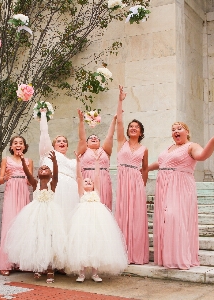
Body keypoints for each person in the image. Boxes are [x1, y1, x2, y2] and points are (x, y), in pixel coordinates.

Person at [148, 122, 214, 269]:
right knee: (165, 219)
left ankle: (180, 257)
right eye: (173, 130)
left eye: (179, 129)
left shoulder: (192, 146)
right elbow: (161, 163)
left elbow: (203, 155)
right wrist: (145, 169)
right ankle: (168, 257)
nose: (176, 131)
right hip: (164, 187)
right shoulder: (169, 148)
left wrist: (213, 140)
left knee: (175, 217)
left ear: (187, 131)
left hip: (180, 186)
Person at [5, 151, 67, 283]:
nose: (43, 169)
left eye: (46, 168)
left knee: (50, 240)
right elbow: (27, 173)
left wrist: (55, 162)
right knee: (37, 239)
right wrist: (22, 161)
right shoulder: (35, 184)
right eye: (41, 168)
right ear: (38, 174)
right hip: (36, 215)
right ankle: (38, 267)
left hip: (50, 215)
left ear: (50, 175)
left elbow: (56, 173)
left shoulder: (52, 183)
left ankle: (50, 269)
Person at [66, 152, 128, 282]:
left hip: (97, 220)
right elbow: (78, 176)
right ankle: (81, 273)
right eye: (86, 181)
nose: (88, 182)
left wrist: (97, 162)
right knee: (83, 244)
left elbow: (97, 176)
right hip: (82, 221)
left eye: (90, 181)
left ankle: (95, 273)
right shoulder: (81, 193)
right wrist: (78, 162)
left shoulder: (96, 192)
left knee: (96, 244)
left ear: (93, 185)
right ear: (82, 185)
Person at [115, 85, 149, 265]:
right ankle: (122, 253)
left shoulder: (144, 149)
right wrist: (120, 100)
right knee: (122, 215)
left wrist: (141, 185)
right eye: (131, 126)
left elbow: (145, 169)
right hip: (123, 181)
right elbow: (119, 122)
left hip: (136, 183)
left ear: (141, 132)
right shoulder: (122, 142)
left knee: (136, 217)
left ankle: (136, 254)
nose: (132, 128)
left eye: (136, 127)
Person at [0, 136, 32, 276]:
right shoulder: (6, 160)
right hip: (11, 192)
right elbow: (0, 180)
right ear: (11, 147)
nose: (18, 145)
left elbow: (30, 182)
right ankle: (5, 263)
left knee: (23, 225)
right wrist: (5, 177)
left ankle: (21, 261)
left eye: (21, 143)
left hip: (23, 192)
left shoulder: (28, 161)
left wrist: (24, 162)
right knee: (9, 224)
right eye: (15, 143)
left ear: (24, 146)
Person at [38, 110, 79, 220]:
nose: (62, 143)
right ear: (53, 145)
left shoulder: (74, 160)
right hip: (56, 187)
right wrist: (43, 114)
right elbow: (44, 134)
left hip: (72, 191)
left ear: (67, 146)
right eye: (58, 141)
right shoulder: (49, 153)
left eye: (64, 141)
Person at [76, 110, 116, 210]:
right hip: (87, 179)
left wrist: (114, 119)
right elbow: (81, 138)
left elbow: (110, 136)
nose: (94, 138)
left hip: (103, 179)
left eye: (96, 138)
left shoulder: (105, 151)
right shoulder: (84, 150)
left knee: (104, 203)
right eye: (91, 138)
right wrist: (81, 121)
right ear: (87, 142)